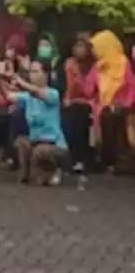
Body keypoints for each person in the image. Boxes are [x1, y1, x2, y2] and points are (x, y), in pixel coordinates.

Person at [10, 60, 70, 186]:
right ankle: (27, 175)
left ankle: (54, 170)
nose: (32, 75)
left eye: (36, 71)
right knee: (21, 142)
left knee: (41, 151)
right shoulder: (27, 96)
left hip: (55, 145)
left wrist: (20, 81)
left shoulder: (53, 93)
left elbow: (37, 92)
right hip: (35, 142)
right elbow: (7, 96)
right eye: (31, 72)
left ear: (46, 74)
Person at [87, 30, 135, 173]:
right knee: (103, 114)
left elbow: (131, 87)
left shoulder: (123, 63)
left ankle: (122, 160)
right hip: (102, 106)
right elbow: (89, 90)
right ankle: (105, 159)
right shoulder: (98, 67)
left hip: (125, 105)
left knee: (114, 116)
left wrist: (124, 104)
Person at [61, 34, 95, 172]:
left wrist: (78, 80)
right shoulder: (69, 63)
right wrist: (67, 99)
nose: (78, 50)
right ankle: (71, 158)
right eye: (76, 46)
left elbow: (90, 90)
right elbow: (67, 87)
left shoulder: (94, 66)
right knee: (69, 115)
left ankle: (79, 159)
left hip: (90, 102)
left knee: (78, 113)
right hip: (72, 101)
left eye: (82, 47)